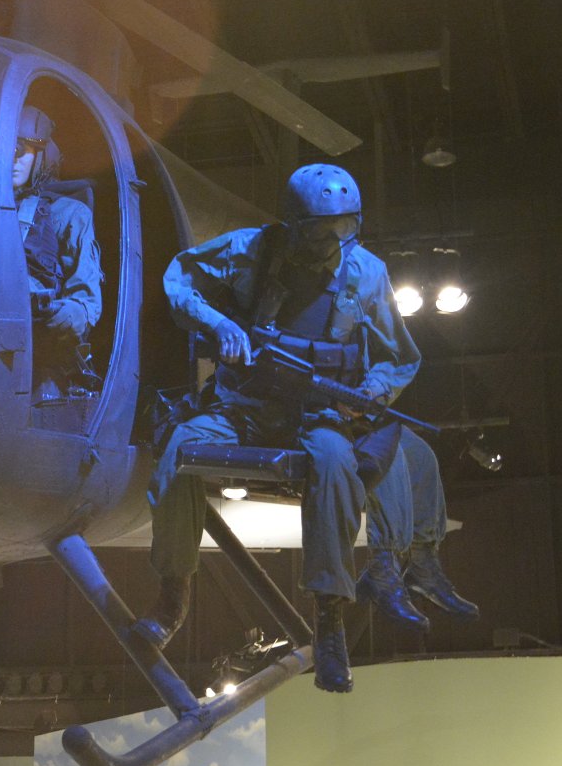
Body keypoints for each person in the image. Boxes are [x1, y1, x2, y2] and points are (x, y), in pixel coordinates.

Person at [137, 163, 420, 693]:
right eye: (320, 230)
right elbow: (178, 280)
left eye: (344, 227)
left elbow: (399, 357)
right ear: (293, 224)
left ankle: (329, 617)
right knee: (178, 449)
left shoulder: (368, 272)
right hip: (243, 407)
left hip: (318, 414)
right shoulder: (251, 250)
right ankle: (173, 595)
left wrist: (372, 394)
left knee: (335, 464)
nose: (333, 241)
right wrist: (219, 323)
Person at [12, 105, 102, 399]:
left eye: (21, 150)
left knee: (46, 396)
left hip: (39, 354)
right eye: (5, 150)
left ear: (41, 157)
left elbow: (86, 306)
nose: (12, 159)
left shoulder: (68, 215)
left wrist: (53, 312)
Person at [358, 427, 480, 630]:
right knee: (387, 452)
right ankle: (380, 568)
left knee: (421, 454)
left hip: (365, 420)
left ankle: (422, 563)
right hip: (324, 420)